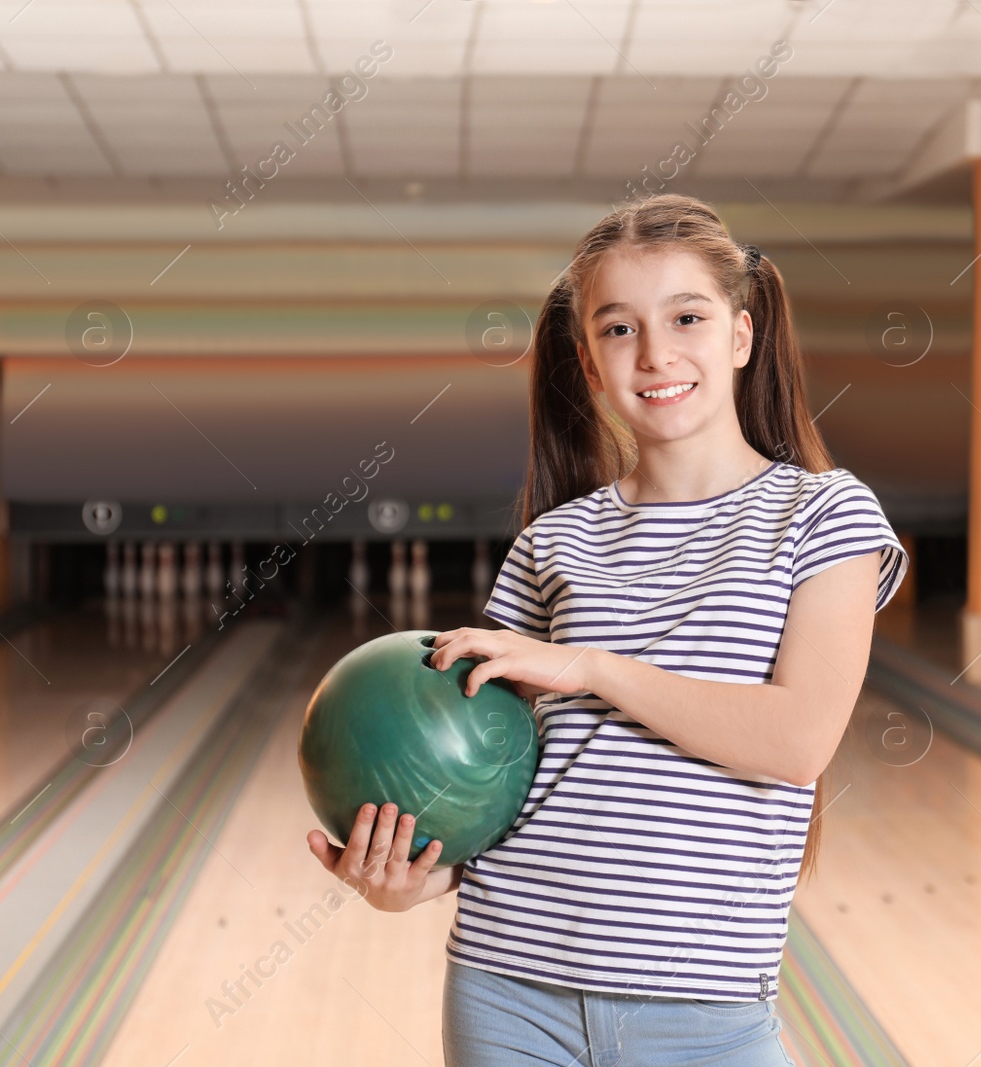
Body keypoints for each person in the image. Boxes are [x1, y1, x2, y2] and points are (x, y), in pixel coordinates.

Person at [308, 194, 908, 1066]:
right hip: (508, 992)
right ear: (588, 364)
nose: (656, 352)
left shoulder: (822, 514)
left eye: (687, 317)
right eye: (618, 329)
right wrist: (409, 880)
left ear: (740, 336)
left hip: (704, 1010)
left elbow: (798, 739)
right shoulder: (552, 540)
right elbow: (499, 788)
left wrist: (592, 666)